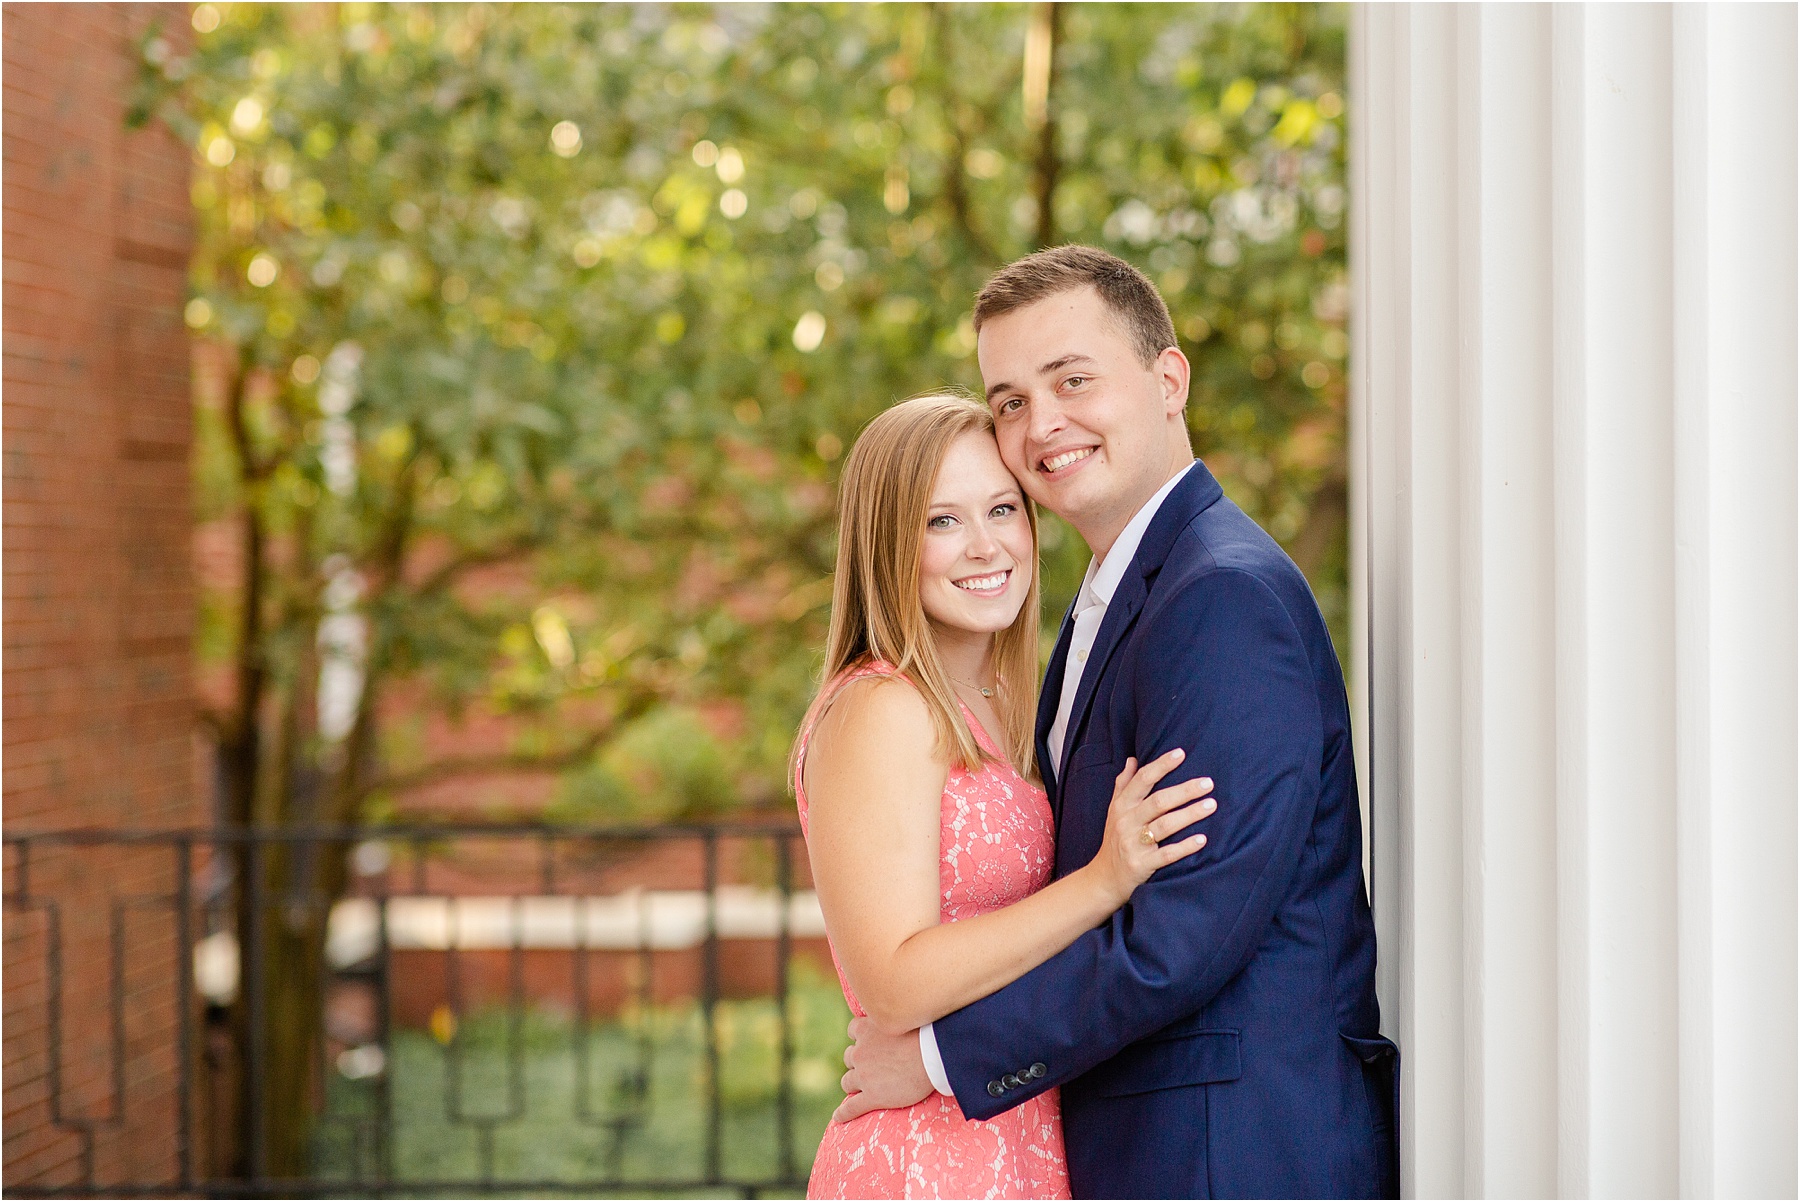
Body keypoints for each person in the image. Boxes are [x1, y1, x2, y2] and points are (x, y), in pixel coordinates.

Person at [834, 247, 1398, 1199]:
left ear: (1168, 378)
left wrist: (938, 1061)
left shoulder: (1222, 597)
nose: (1041, 422)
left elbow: (1185, 936)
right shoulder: (1113, 601)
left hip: (1228, 1149)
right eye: (1010, 399)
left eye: (1073, 380)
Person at [793, 392, 1219, 1199]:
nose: (985, 546)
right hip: (928, 1160)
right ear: (888, 544)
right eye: (942, 522)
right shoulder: (881, 707)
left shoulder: (1003, 710)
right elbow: (892, 982)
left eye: (1002, 509)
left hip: (1014, 1134)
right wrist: (1101, 881)